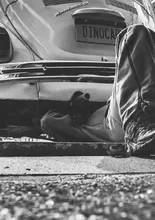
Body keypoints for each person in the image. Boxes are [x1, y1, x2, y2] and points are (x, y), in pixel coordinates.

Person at [41, 24, 155, 156]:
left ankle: (141, 127)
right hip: (118, 126)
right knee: (133, 35)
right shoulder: (84, 127)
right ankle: (138, 128)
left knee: (148, 41)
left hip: (130, 114)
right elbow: (47, 121)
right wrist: (74, 112)